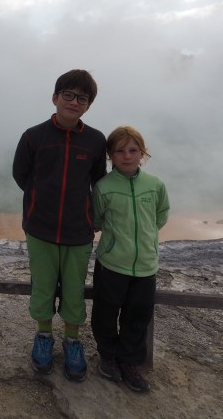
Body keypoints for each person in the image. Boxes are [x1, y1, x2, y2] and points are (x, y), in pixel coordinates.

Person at [12, 69, 107, 381]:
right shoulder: (33, 136)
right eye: (68, 95)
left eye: (82, 98)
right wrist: (41, 203)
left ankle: (72, 341)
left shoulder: (95, 140)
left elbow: (98, 183)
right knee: (42, 286)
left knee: (74, 289)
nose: (74, 102)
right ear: (55, 98)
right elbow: (21, 176)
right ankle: (43, 336)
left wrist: (89, 217)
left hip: (79, 232)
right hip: (40, 229)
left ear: (88, 106)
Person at [91, 125, 170, 393]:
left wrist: (146, 239)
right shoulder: (103, 187)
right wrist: (118, 242)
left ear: (142, 153)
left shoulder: (155, 185)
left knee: (138, 316)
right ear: (110, 155)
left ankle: (129, 362)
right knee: (105, 314)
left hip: (146, 265)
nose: (127, 156)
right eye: (120, 151)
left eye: (133, 150)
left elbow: (161, 214)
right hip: (112, 263)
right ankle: (107, 356)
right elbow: (97, 220)